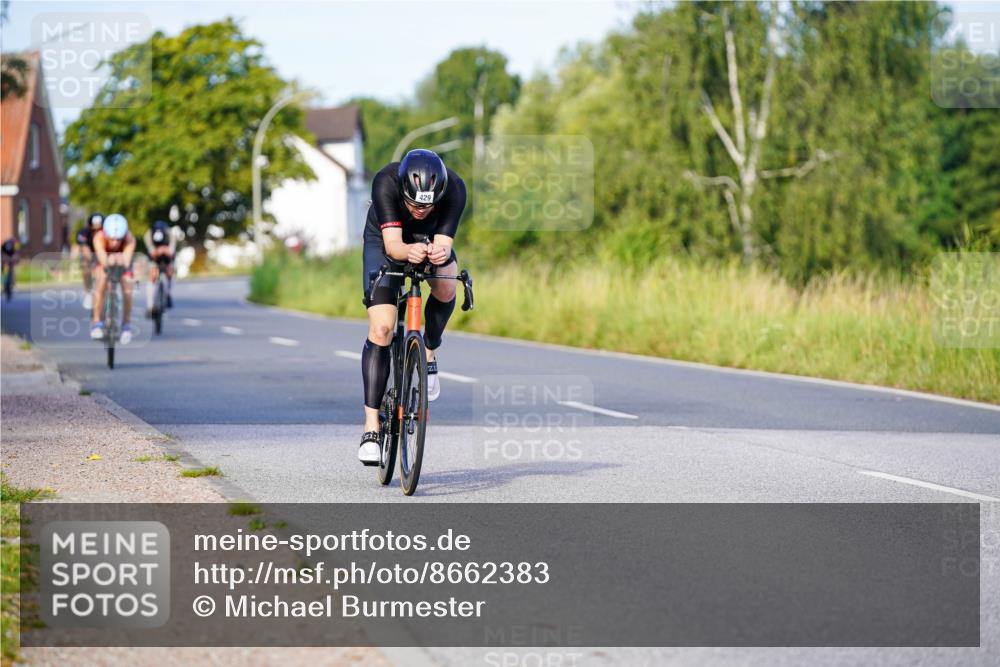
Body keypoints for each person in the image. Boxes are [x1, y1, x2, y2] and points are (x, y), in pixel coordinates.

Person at [357, 149, 467, 465]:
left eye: (427, 205)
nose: (420, 210)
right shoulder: (386, 182)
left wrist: (437, 254)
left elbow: (444, 245)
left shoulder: (455, 188)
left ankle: (428, 352)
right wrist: (409, 251)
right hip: (386, 240)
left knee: (446, 284)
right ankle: (371, 428)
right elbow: (393, 247)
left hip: (429, 239)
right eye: (414, 204)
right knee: (382, 327)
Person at [90, 213, 137, 344]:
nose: (115, 243)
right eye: (112, 239)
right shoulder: (98, 237)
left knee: (128, 289)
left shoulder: (129, 238)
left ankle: (126, 325)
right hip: (105, 261)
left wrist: (119, 259)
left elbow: (126, 261)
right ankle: (97, 322)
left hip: (122, 262)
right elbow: (103, 259)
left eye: (118, 240)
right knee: (101, 281)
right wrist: (110, 260)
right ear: (106, 234)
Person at [143, 220, 176, 317]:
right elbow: (151, 250)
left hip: (167, 256)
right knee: (152, 275)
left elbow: (171, 250)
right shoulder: (148, 235)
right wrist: (156, 252)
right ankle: (150, 306)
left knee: (170, 272)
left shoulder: (171, 235)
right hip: (155, 257)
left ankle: (168, 294)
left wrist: (166, 251)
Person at [74, 213, 103, 310]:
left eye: (99, 227)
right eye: (95, 227)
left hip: (102, 254)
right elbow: (83, 247)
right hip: (90, 255)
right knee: (85, 265)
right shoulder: (84, 232)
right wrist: (91, 260)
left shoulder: (106, 233)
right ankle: (88, 292)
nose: (97, 230)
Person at [1, 236, 20, 301]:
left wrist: (15, 258)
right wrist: (5, 258)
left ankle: (13, 285)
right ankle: (5, 286)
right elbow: (2, 253)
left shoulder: (16, 244)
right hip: (5, 263)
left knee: (12, 273)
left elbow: (17, 252)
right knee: (5, 275)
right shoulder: (5, 244)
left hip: (11, 263)